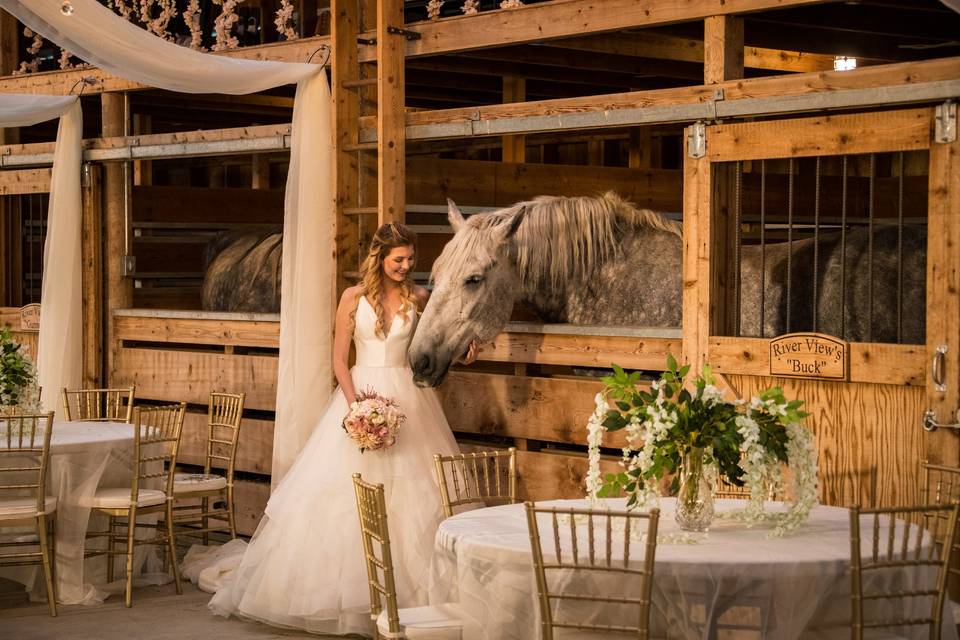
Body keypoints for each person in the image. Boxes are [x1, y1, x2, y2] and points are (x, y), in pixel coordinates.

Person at [208, 222, 475, 635]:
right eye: (398, 259)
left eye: (411, 260)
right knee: (344, 496)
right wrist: (359, 408)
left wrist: (467, 348)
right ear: (380, 257)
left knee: (415, 492)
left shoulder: (422, 298)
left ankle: (408, 598)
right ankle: (351, 596)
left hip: (409, 398)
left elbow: (439, 344)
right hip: (362, 394)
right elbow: (338, 360)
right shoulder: (352, 298)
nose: (406, 266)